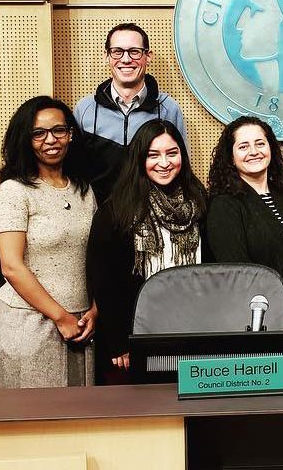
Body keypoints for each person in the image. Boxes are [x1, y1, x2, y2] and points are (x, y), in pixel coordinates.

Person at [0, 96, 98, 388]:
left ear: (71, 134)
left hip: (81, 325)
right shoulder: (14, 191)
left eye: (58, 130)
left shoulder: (84, 190)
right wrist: (60, 317)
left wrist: (95, 308)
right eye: (38, 133)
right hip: (29, 326)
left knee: (77, 425)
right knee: (27, 425)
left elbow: (95, 258)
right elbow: (11, 267)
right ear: (26, 139)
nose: (51, 140)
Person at [86, 119, 206, 384]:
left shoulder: (199, 202)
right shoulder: (116, 211)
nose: (164, 162)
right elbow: (104, 281)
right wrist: (120, 341)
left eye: (172, 153)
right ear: (139, 160)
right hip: (140, 335)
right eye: (153, 155)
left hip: (194, 328)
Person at [206, 116, 283, 330]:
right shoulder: (224, 205)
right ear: (230, 157)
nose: (254, 151)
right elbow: (239, 274)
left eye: (260, 143)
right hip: (264, 321)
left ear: (271, 148)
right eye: (243, 146)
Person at [72, 23, 190, 201]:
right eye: (117, 51)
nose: (126, 59)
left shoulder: (168, 108)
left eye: (134, 51)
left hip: (151, 219)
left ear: (148, 56)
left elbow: (181, 169)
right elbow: (74, 172)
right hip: (98, 219)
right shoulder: (85, 109)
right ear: (107, 56)